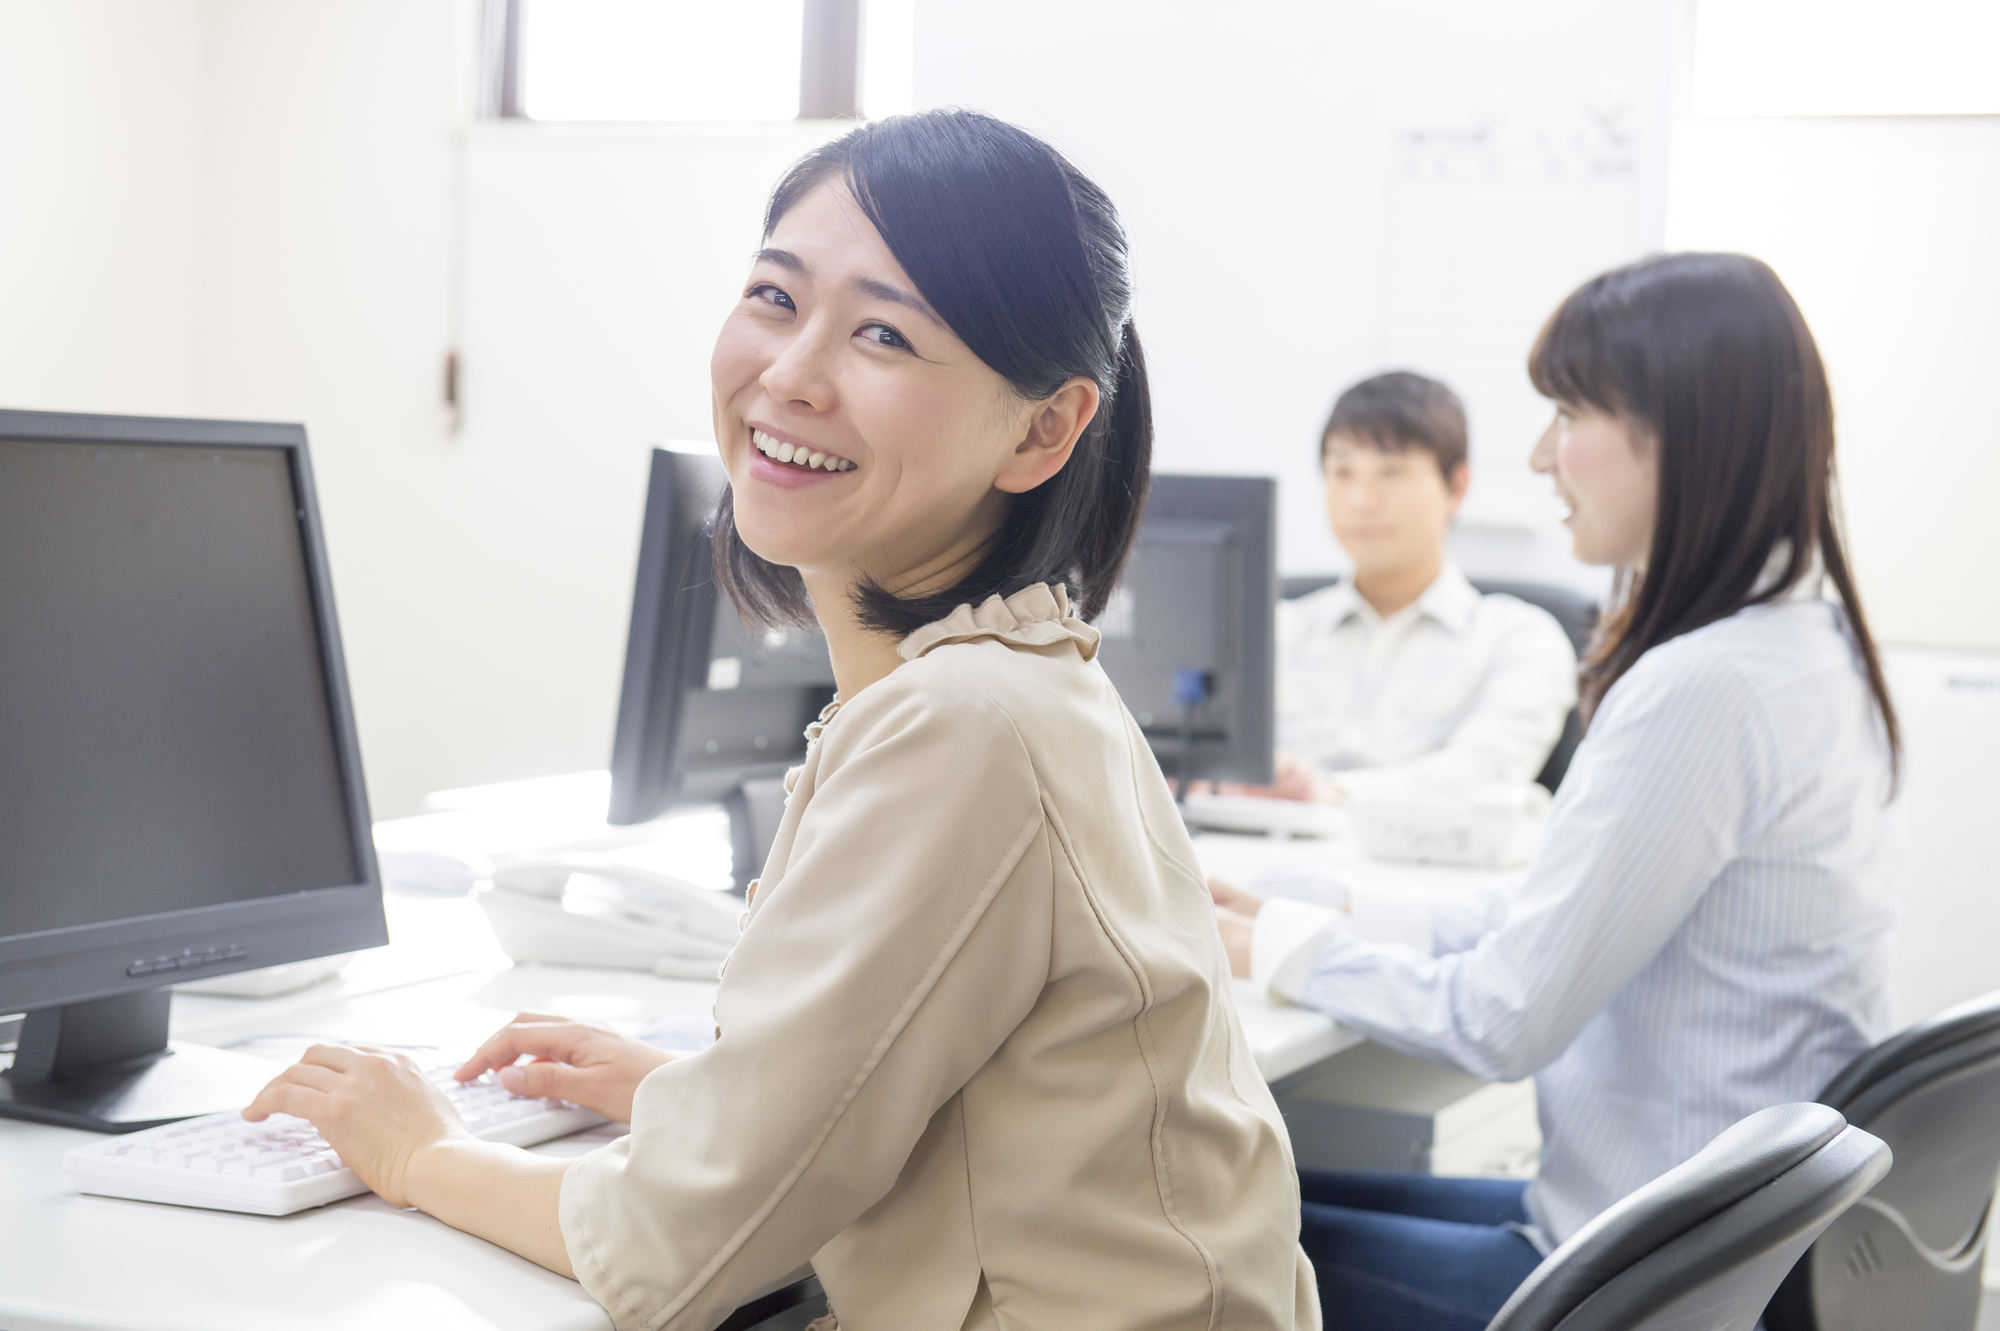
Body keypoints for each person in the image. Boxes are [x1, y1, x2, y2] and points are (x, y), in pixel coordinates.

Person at [242, 111, 1319, 1331]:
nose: (791, 373)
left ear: (1043, 428)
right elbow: (978, 1104)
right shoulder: (1023, 679)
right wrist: (691, 1099)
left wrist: (416, 1146)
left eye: (882, 333)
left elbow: (673, 1254)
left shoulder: (961, 722)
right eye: (772, 295)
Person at [1213, 253, 1901, 1330]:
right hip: (1699, 1236)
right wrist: (1323, 911)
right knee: (1236, 1197)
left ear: (1681, 433)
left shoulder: (1701, 686)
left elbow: (1503, 1018)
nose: (1541, 454)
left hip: (1643, 1273)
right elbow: (1551, 911)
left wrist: (1280, 953)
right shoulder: (1800, 648)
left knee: (1193, 1235)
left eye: (1568, 411)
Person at [1265, 371, 1576, 804]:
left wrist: (1329, 793)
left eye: (1391, 472)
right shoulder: (1274, 632)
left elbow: (1487, 773)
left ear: (1457, 486)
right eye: (1342, 471)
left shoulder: (1517, 639)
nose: (1361, 500)